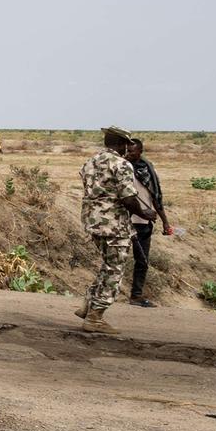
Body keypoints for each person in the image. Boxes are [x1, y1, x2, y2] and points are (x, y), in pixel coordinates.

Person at [76, 126, 156, 334]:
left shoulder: (90, 162)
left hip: (93, 222)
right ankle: (96, 316)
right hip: (114, 224)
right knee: (115, 270)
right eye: (126, 144)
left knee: (108, 264)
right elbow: (128, 198)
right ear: (122, 144)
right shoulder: (122, 164)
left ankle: (89, 302)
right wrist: (145, 213)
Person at [125, 138, 171, 308]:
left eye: (132, 151)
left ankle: (136, 295)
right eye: (127, 151)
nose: (128, 154)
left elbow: (156, 197)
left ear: (140, 152)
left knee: (142, 261)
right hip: (124, 221)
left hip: (143, 223)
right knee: (118, 260)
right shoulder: (122, 170)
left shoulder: (148, 171)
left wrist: (165, 222)